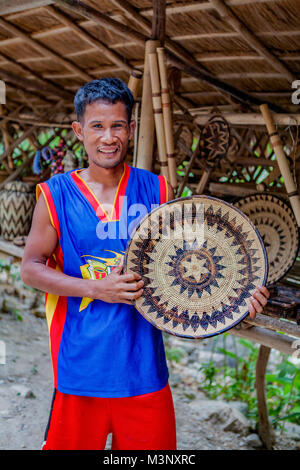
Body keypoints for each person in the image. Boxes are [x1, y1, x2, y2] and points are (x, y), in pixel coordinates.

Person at [21, 78, 270, 451]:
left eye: (118, 125)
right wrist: (94, 288)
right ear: (79, 131)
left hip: (144, 372)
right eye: (97, 126)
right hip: (79, 370)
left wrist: (239, 302)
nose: (109, 137)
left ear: (132, 129)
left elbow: (193, 271)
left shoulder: (159, 190)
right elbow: (30, 268)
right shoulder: (55, 194)